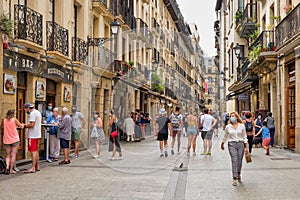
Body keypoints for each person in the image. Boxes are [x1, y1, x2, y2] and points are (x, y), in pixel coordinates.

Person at [221, 111, 249, 186]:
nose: (232, 118)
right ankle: (234, 178)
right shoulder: (228, 127)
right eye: (231, 116)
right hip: (232, 144)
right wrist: (222, 143)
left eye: (233, 116)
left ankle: (238, 172)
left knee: (239, 160)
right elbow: (226, 136)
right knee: (234, 160)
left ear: (237, 117)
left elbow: (244, 136)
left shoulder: (242, 126)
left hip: (240, 143)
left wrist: (246, 146)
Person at [1, 109, 24, 174]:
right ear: (13, 114)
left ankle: (7, 167)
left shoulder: (4, 120)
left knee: (8, 155)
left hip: (6, 139)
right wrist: (22, 124)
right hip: (14, 139)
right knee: (13, 155)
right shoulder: (14, 120)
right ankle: (11, 169)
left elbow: (2, 126)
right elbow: (21, 126)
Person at [23, 103, 42, 173]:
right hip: (37, 134)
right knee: (36, 151)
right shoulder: (37, 112)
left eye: (25, 109)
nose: (26, 111)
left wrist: (24, 126)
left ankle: (33, 167)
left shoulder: (32, 114)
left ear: (28, 108)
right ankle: (37, 166)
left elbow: (32, 124)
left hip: (33, 135)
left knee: (33, 151)